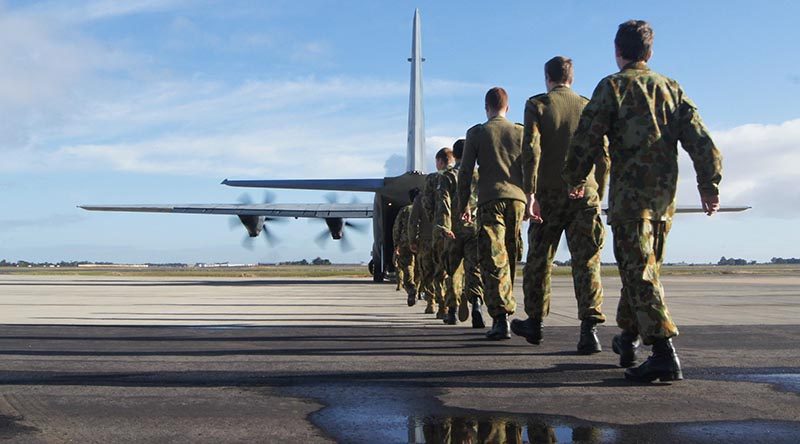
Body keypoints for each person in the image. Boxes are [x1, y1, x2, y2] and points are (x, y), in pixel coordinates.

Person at [563, 20, 722, 382]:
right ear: (649, 53)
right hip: (664, 201)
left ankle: (664, 352)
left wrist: (574, 177)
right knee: (642, 272)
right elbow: (701, 139)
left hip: (631, 200)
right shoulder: (670, 88)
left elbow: (587, 137)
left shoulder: (612, 87)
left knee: (639, 273)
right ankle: (629, 337)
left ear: (618, 52)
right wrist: (708, 184)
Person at [512, 56, 610, 354]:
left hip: (549, 195)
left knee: (540, 261)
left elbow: (531, 149)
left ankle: (536, 323)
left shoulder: (538, 105)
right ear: (572, 76)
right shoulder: (588, 105)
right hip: (586, 194)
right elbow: (603, 154)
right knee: (587, 262)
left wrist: (530, 192)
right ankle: (589, 330)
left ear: (548, 77)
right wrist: (597, 192)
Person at [458, 87, 526, 340]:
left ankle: (500, 318)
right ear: (507, 107)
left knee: (493, 258)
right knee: (511, 253)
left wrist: (463, 205)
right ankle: (508, 303)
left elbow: (465, 172)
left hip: (490, 201)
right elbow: (532, 166)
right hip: (517, 201)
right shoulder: (521, 132)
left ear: (486, 108)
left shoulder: (477, 133)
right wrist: (531, 198)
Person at [434, 140, 485, 327]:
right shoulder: (480, 175)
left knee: (452, 271)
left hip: (453, 231)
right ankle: (477, 306)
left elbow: (443, 204)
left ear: (454, 156)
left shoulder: (447, 176)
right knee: (474, 269)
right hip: (475, 228)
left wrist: (444, 227)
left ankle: (453, 311)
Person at [409, 175, 441, 316]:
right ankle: (445, 304)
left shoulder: (420, 198)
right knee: (442, 272)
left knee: (427, 273)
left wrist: (412, 240)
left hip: (425, 241)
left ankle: (431, 302)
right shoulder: (446, 195)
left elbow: (413, 222)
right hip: (443, 240)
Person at [393, 188, 420, 306]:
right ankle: (431, 302)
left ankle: (411, 289)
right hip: (421, 243)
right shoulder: (425, 208)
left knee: (407, 267)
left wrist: (396, 244)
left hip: (405, 243)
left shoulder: (404, 210)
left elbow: (396, 228)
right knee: (422, 269)